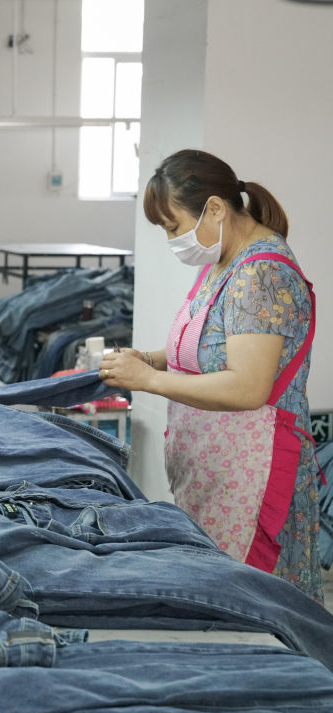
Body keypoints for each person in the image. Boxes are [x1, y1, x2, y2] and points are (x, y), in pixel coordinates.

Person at [98, 149, 321, 601]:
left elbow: (247, 386)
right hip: (218, 473)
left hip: (254, 480)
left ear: (215, 208)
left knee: (252, 607)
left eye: (173, 226)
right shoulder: (223, 262)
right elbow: (209, 350)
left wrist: (148, 381)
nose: (172, 240)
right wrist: (148, 360)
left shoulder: (262, 275)